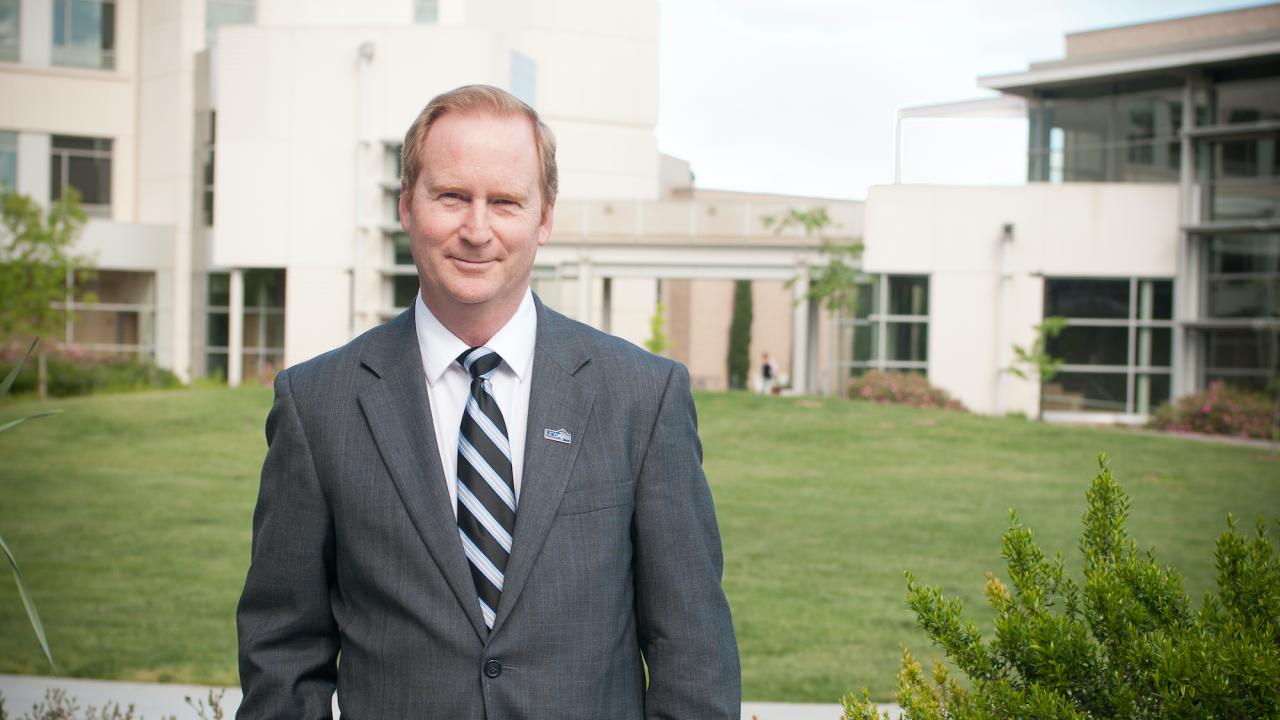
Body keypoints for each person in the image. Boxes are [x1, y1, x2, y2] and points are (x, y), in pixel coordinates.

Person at [235, 85, 740, 719]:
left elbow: (693, 652)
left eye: (504, 201)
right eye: (451, 196)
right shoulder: (318, 406)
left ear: (544, 217)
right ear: (406, 206)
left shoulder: (642, 397)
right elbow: (282, 649)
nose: (477, 230)